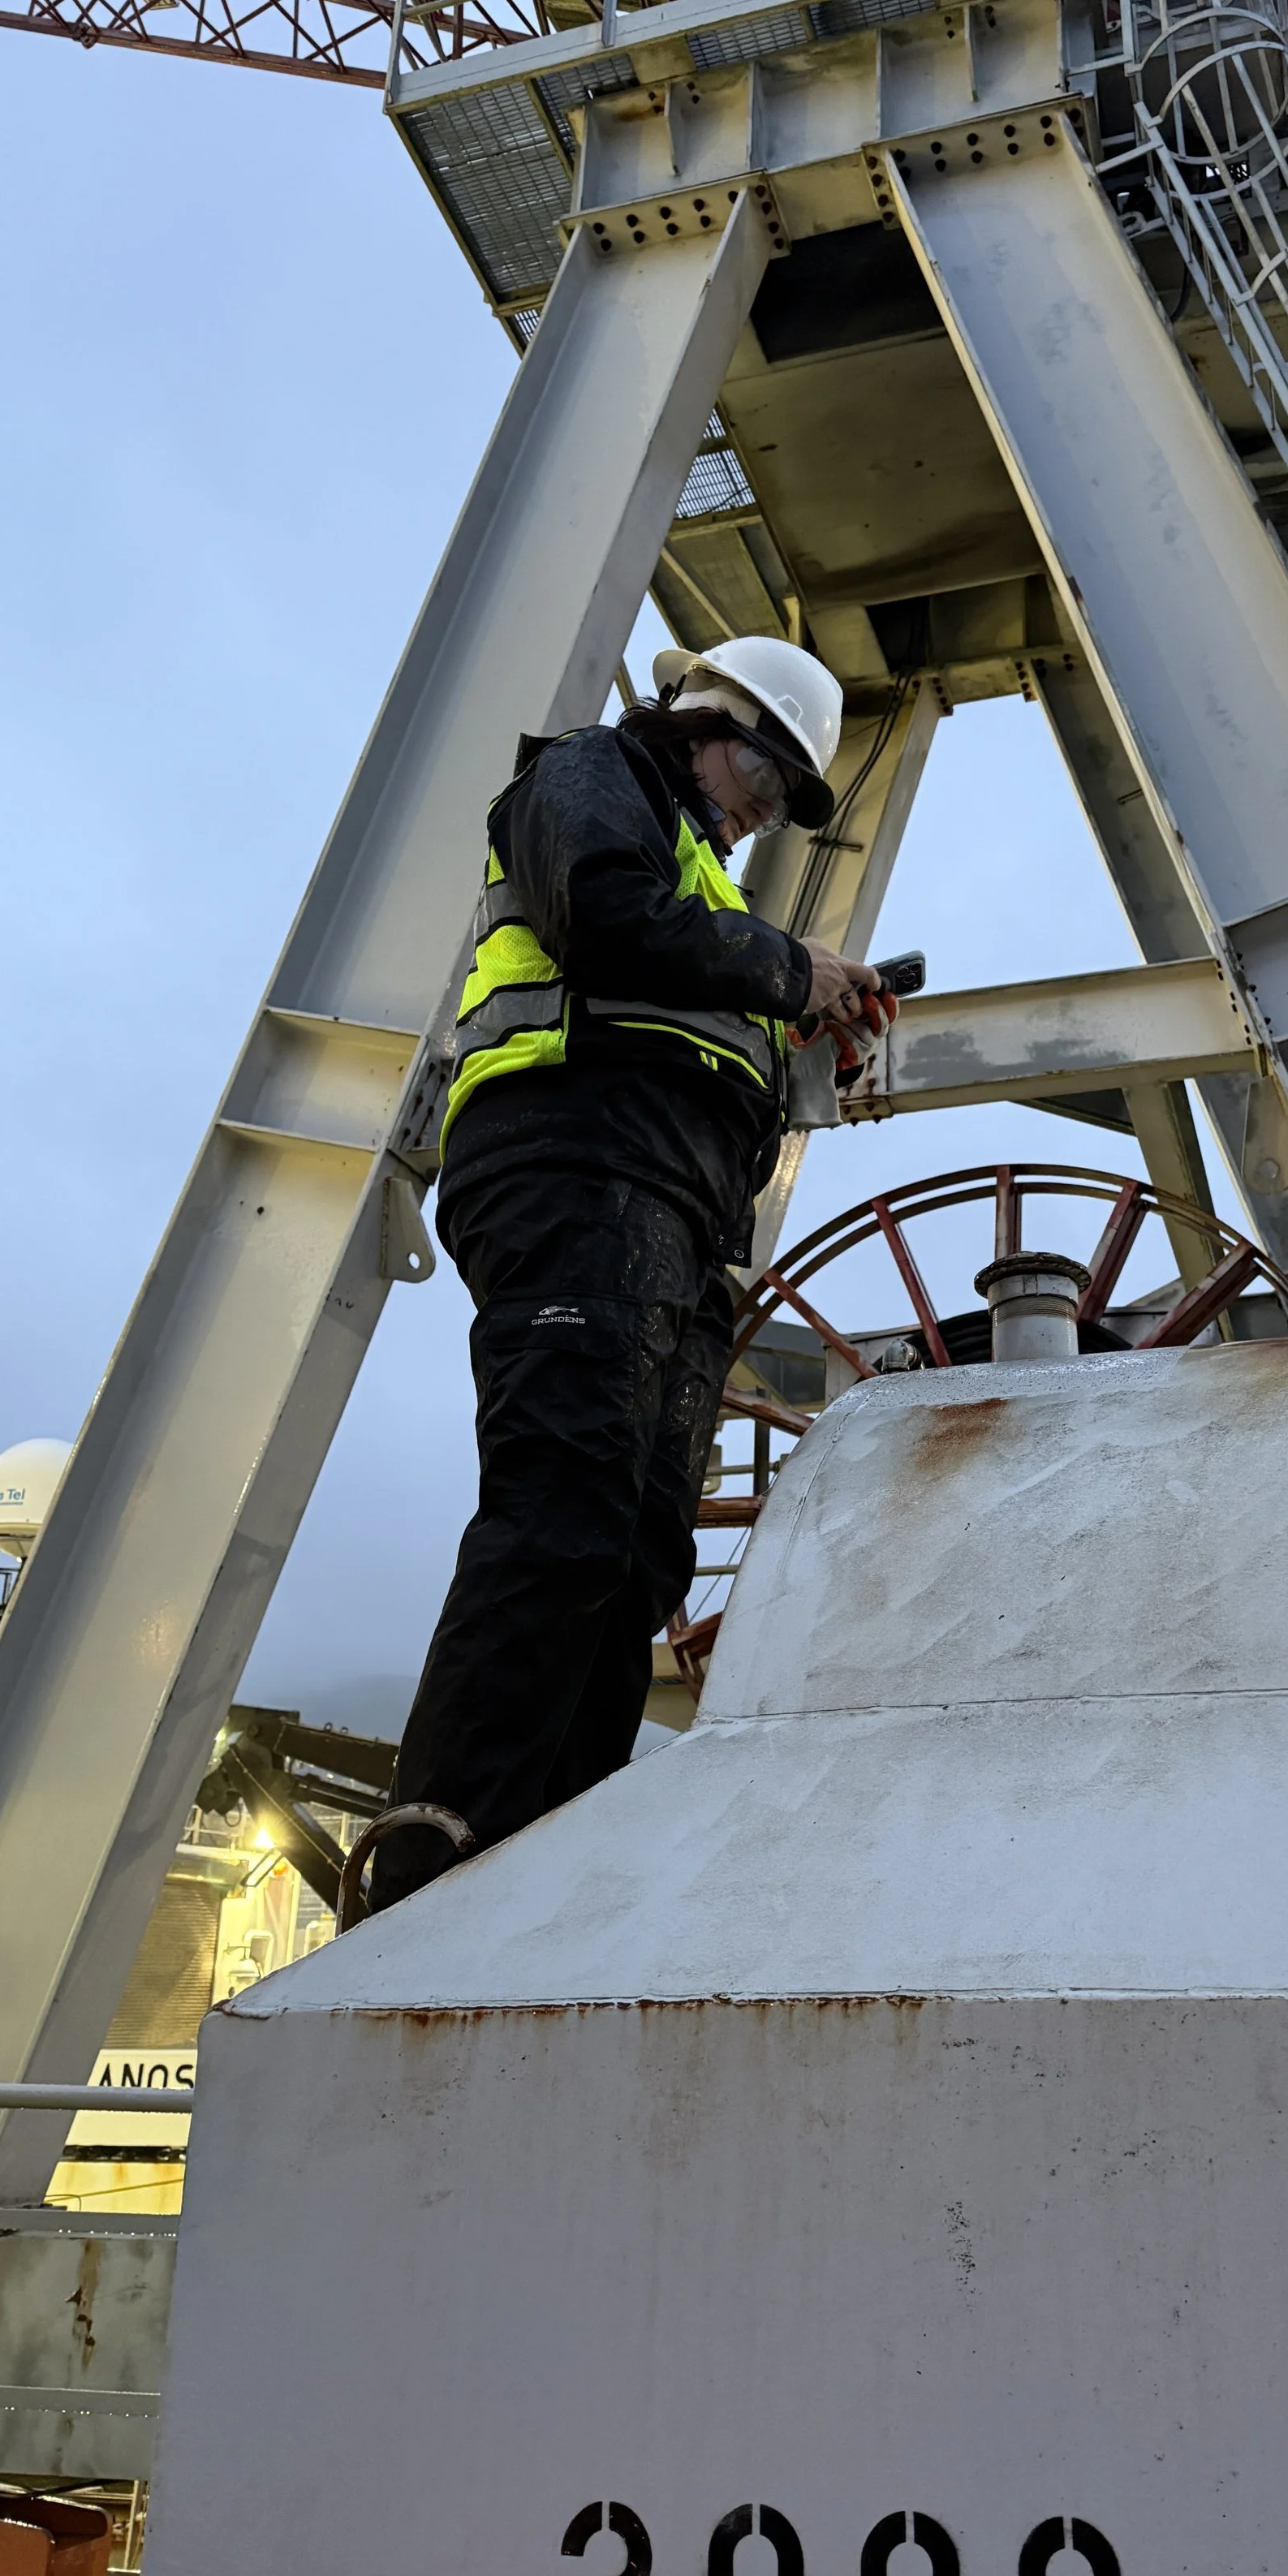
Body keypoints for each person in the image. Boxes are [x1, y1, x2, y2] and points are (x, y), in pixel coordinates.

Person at [367, 638, 890, 1914]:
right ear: (707, 719)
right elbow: (599, 916)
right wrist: (786, 969)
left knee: (641, 1541)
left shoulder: (702, 882)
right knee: (568, 1501)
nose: (770, 806)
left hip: (666, 1214)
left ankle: (550, 1862)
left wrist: (806, 1035)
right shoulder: (591, 774)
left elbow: (690, 1016)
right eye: (769, 769)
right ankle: (439, 1853)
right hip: (572, 1166)